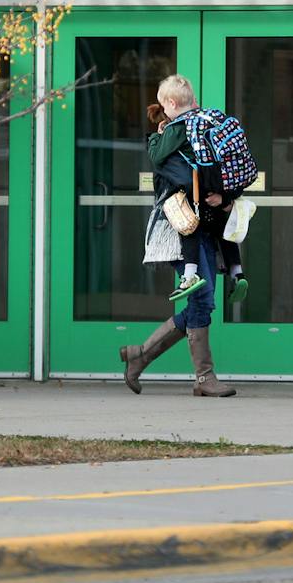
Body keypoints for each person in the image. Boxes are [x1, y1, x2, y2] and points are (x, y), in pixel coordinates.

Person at [119, 75, 237, 397]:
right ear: (174, 106)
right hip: (179, 229)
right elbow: (189, 178)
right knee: (202, 298)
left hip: (203, 228)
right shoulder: (169, 138)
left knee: (204, 300)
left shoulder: (191, 134)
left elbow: (215, 174)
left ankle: (140, 355)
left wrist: (223, 196)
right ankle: (204, 378)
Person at [148, 76, 247, 304]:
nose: (164, 111)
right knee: (225, 228)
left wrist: (156, 136)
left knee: (187, 226)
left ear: (172, 103)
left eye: (164, 106)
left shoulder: (178, 127)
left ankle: (190, 275)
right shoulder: (208, 119)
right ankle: (237, 271)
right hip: (219, 190)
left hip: (196, 193)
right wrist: (225, 196)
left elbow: (157, 156)